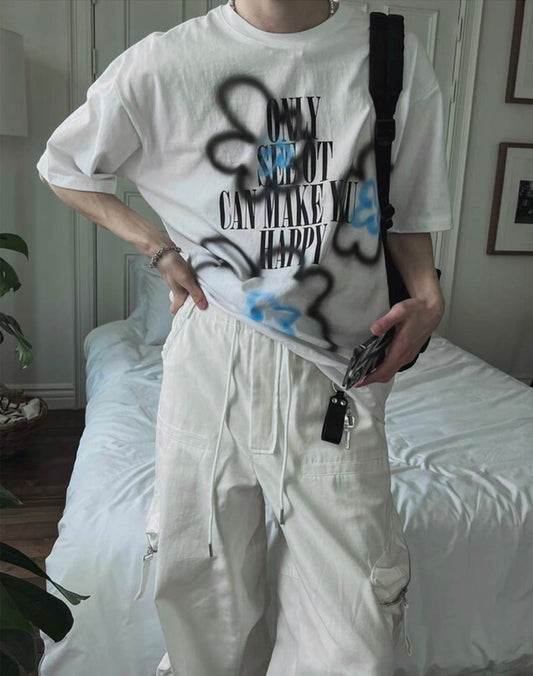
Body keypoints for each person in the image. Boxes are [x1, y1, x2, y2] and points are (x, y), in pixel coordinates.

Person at [36, 1, 454, 674]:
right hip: (213, 348)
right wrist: (156, 248)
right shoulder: (165, 61)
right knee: (203, 591)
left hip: (337, 371)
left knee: (354, 617)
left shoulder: (390, 53)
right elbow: (65, 166)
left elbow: (407, 206)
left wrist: (428, 295)